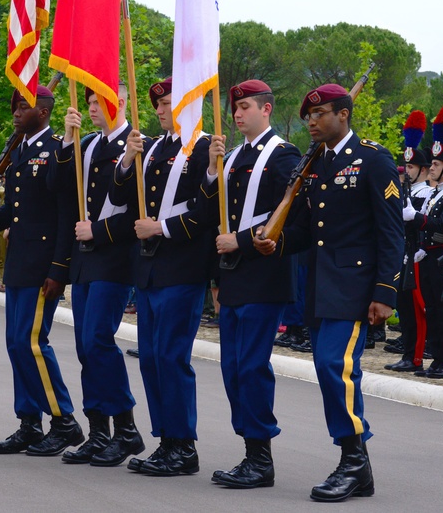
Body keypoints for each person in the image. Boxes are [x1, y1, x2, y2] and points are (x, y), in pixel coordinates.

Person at [256, 84, 403, 501]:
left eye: (320, 114)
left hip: (355, 287)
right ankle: (358, 465)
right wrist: (277, 242)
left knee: (333, 365)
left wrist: (386, 292)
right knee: (330, 370)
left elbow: (391, 234)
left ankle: (352, 460)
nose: (312, 122)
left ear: (343, 114)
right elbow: (305, 230)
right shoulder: (315, 164)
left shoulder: (373, 160)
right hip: (320, 285)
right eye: (308, 116)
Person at [0, 85, 82, 457]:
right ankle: (29, 423)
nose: (15, 112)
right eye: (14, 106)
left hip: (43, 267)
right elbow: (18, 211)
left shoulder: (58, 151)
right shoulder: (21, 152)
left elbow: (67, 215)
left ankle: (64, 421)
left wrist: (59, 269)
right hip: (20, 265)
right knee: (16, 346)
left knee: (31, 344)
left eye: (23, 106)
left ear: (43, 112)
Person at [109, 77, 215, 476]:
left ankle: (184, 446)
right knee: (151, 359)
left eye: (168, 102)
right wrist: (124, 162)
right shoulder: (154, 147)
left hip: (182, 267)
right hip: (150, 269)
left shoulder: (203, 147)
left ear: (188, 104)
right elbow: (122, 198)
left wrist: (163, 228)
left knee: (171, 358)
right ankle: (165, 440)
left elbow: (206, 214)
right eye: (157, 103)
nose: (158, 109)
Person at [202, 79, 302, 488]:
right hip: (233, 276)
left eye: (246, 106)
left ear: (267, 109)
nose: (238, 113)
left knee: (250, 367)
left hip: (264, 276)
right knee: (231, 368)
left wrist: (241, 241)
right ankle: (249, 450)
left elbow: (291, 215)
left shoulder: (283, 155)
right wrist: (211, 169)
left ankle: (260, 457)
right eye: (236, 107)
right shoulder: (233, 156)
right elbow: (214, 211)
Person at [57, 83, 144, 467]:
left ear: (120, 102)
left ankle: (126, 429)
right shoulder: (88, 144)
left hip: (114, 257)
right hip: (85, 259)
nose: (91, 108)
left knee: (97, 340)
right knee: (83, 347)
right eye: (89, 102)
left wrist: (100, 231)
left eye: (99, 102)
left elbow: (139, 210)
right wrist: (67, 139)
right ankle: (98, 431)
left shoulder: (137, 144)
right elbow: (57, 189)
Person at [402, 104, 443, 379]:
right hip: (426, 255)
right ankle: (437, 359)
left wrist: (417, 219)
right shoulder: (432, 194)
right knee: (432, 310)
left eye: (436, 164)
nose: (431, 168)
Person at [384, 111, 432, 372]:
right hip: (402, 254)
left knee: (416, 309)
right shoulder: (406, 192)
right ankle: (408, 352)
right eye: (407, 167)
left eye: (412, 167)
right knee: (404, 306)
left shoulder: (427, 194)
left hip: (417, 254)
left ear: (423, 170)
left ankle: (416, 355)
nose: (407, 171)